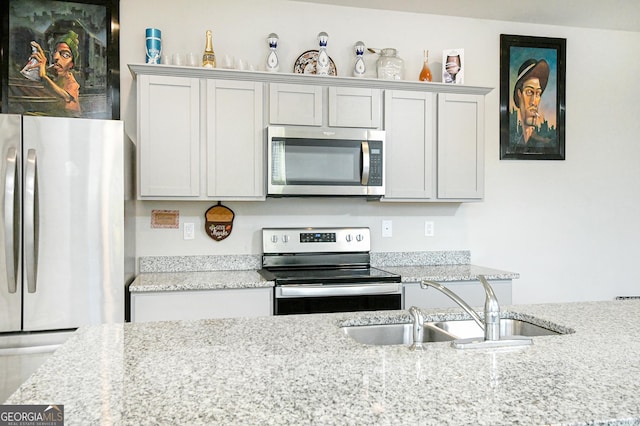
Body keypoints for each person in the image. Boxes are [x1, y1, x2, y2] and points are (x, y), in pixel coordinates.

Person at [27, 31, 81, 116]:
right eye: (55, 52)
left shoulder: (72, 82)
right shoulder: (52, 70)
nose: (56, 57)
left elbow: (66, 96)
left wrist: (44, 77)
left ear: (71, 64)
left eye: (65, 55)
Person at [511, 58, 550, 146]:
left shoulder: (546, 143)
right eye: (529, 92)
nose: (533, 102)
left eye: (538, 93)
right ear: (519, 94)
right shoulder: (515, 142)